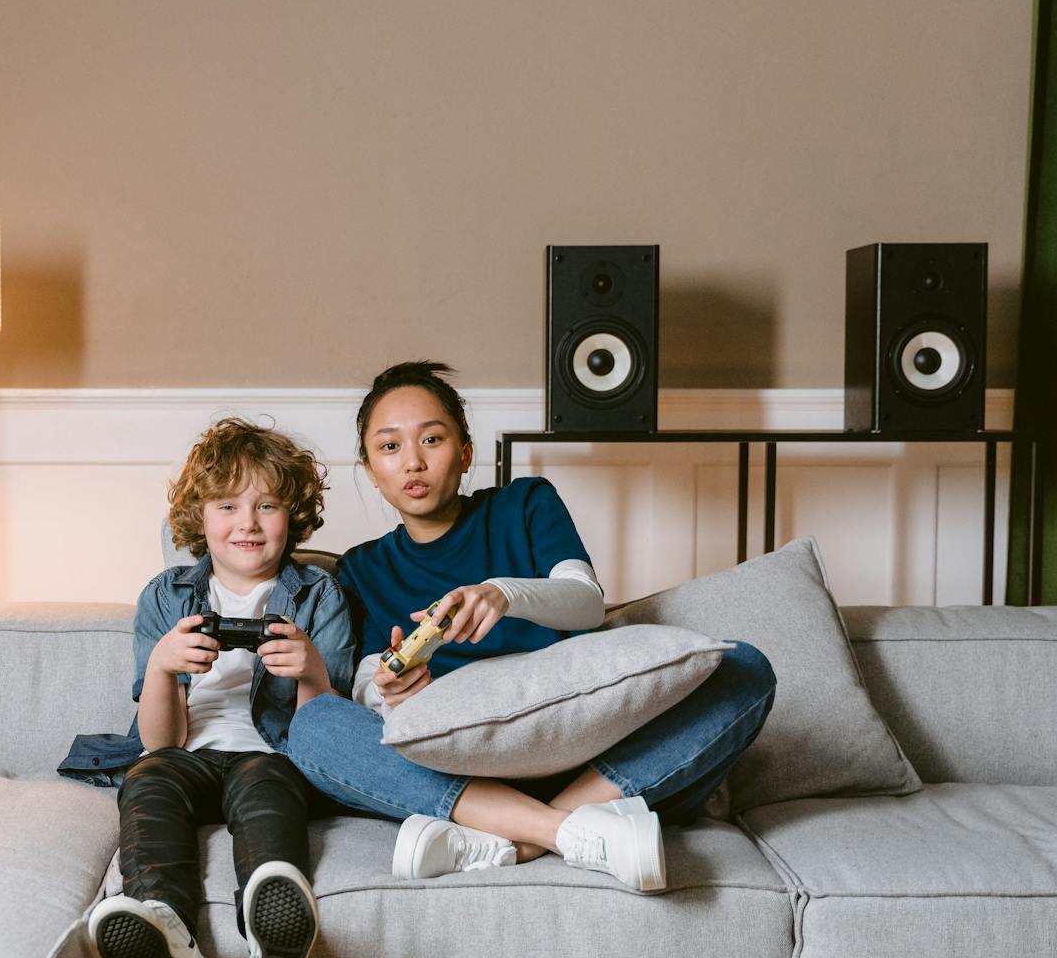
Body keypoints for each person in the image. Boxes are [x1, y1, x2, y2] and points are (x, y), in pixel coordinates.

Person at [288, 362, 777, 892]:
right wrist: (391, 693)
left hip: (594, 757)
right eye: (389, 447)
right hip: (463, 775)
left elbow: (587, 603)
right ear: (369, 468)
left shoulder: (525, 504)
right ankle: (565, 830)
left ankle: (512, 839)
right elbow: (366, 680)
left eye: (432, 438)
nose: (413, 461)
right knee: (315, 726)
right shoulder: (364, 567)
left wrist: (505, 592)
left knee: (744, 669)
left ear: (466, 451)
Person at [59, 419, 356, 958]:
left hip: (274, 756)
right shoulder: (166, 596)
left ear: (293, 516)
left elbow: (328, 735)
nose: (247, 523)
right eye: (227, 505)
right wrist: (164, 669)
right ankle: (163, 919)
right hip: (184, 755)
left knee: (266, 781)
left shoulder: (322, 595)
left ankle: (271, 919)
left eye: (267, 505)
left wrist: (313, 672)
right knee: (147, 781)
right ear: (201, 518)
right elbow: (160, 744)